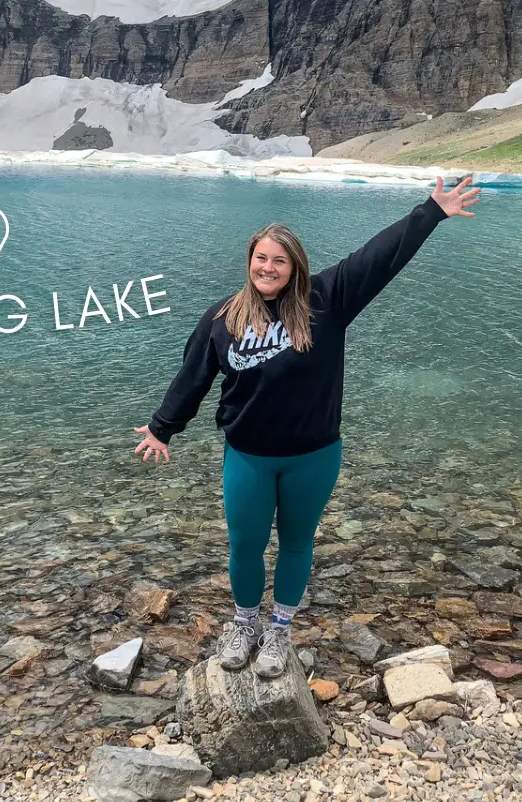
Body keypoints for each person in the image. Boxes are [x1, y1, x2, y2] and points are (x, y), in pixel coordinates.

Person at [133, 174, 480, 679]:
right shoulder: (222, 318)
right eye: (261, 258)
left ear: (295, 266)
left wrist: (430, 211)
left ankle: (279, 630)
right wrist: (163, 427)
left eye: (279, 260)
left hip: (313, 456)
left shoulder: (326, 300)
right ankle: (245, 624)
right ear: (249, 261)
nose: (267, 268)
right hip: (248, 456)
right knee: (245, 544)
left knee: (297, 543)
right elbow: (194, 375)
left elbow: (379, 256)